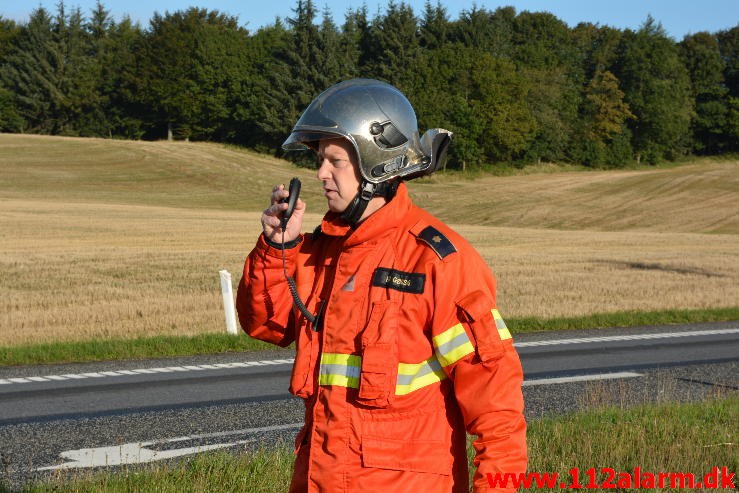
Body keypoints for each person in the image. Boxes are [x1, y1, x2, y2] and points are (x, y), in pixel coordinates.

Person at [236, 78, 527, 493]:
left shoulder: (437, 261)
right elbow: (267, 324)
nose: (320, 174)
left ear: (377, 164)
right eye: (319, 160)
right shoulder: (321, 253)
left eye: (334, 161)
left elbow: (498, 412)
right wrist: (275, 249)